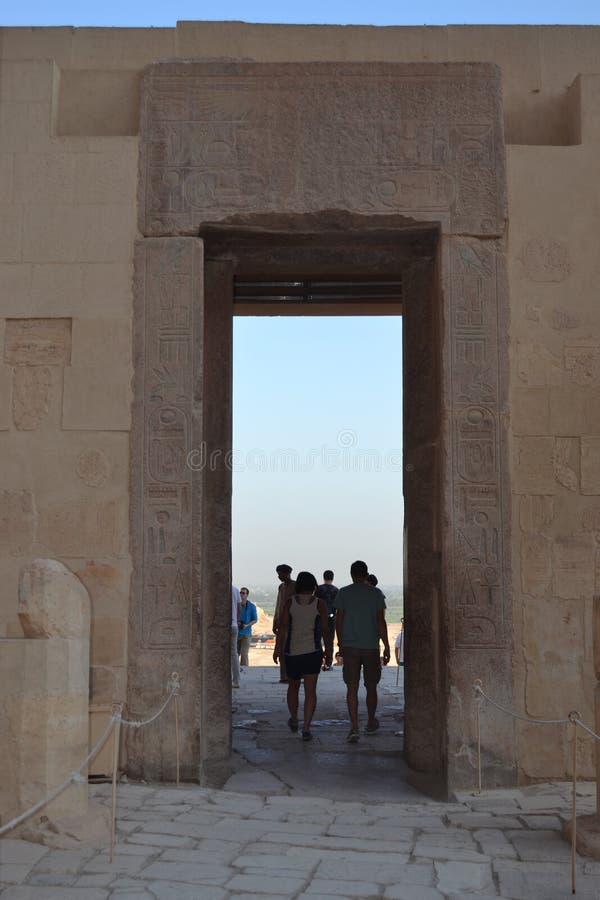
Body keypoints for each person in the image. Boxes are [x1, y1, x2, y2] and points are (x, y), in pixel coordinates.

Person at [335, 560, 390, 743]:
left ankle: (354, 727)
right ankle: (371, 721)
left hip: (350, 646)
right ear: (366, 574)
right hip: (371, 647)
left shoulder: (344, 593)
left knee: (352, 688)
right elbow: (381, 622)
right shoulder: (376, 594)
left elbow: (339, 621)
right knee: (371, 686)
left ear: (351, 574)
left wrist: (340, 644)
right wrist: (387, 645)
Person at [273, 570, 332, 741]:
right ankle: (306, 726)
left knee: (293, 687)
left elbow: (283, 628)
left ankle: (294, 718)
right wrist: (328, 651)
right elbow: (326, 630)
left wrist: (277, 649)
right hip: (313, 652)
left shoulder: (290, 603)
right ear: (314, 586)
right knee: (310, 691)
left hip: (293, 652)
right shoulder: (319, 604)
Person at [272, 564, 295, 683]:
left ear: (287, 573)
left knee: (292, 650)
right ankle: (284, 675)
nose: (279, 576)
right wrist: (275, 622)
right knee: (282, 649)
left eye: (281, 574)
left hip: (293, 623)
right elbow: (278, 606)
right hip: (282, 622)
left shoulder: (295, 586)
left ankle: (293, 674)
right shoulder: (281, 587)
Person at [316, 569, 338, 671]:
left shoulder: (318, 589)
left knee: (317, 640)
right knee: (329, 642)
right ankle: (328, 663)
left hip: (319, 618)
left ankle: (318, 661)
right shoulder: (336, 590)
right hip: (331, 619)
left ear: (324, 577)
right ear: (332, 578)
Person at [238, 587, 258, 668]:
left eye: (243, 593)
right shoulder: (236, 605)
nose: (241, 594)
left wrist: (246, 625)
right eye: (240, 592)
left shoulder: (251, 606)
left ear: (247, 595)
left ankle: (245, 670)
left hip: (246, 633)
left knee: (244, 654)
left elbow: (255, 620)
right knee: (235, 654)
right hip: (237, 632)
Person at [231, 584, 241, 689]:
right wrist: (236, 620)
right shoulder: (235, 590)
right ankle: (236, 680)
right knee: (234, 654)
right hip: (233, 625)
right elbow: (239, 609)